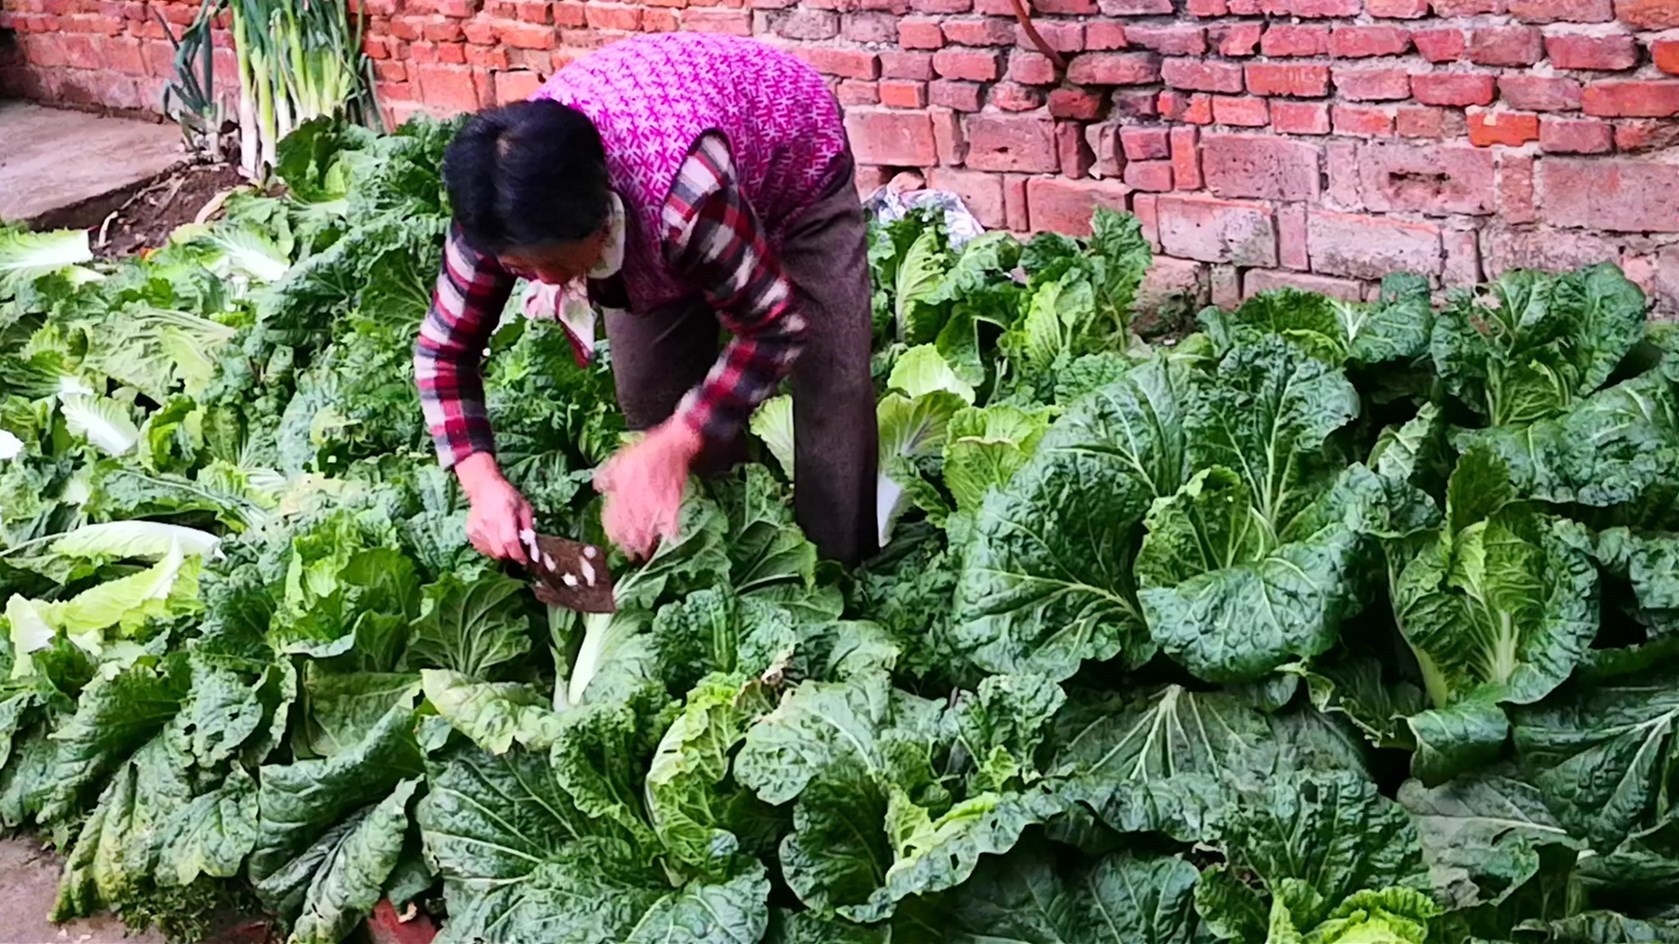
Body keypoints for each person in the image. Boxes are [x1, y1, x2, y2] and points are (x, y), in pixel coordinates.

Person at [413, 32, 880, 569]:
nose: (544, 280)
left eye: (559, 264)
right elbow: (443, 351)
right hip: (669, 162)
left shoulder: (689, 199)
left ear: (602, 219)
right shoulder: (497, 210)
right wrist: (482, 483)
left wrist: (680, 440)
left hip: (789, 152)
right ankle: (722, 556)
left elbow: (774, 327)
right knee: (651, 395)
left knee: (832, 375)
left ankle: (839, 569)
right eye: (521, 269)